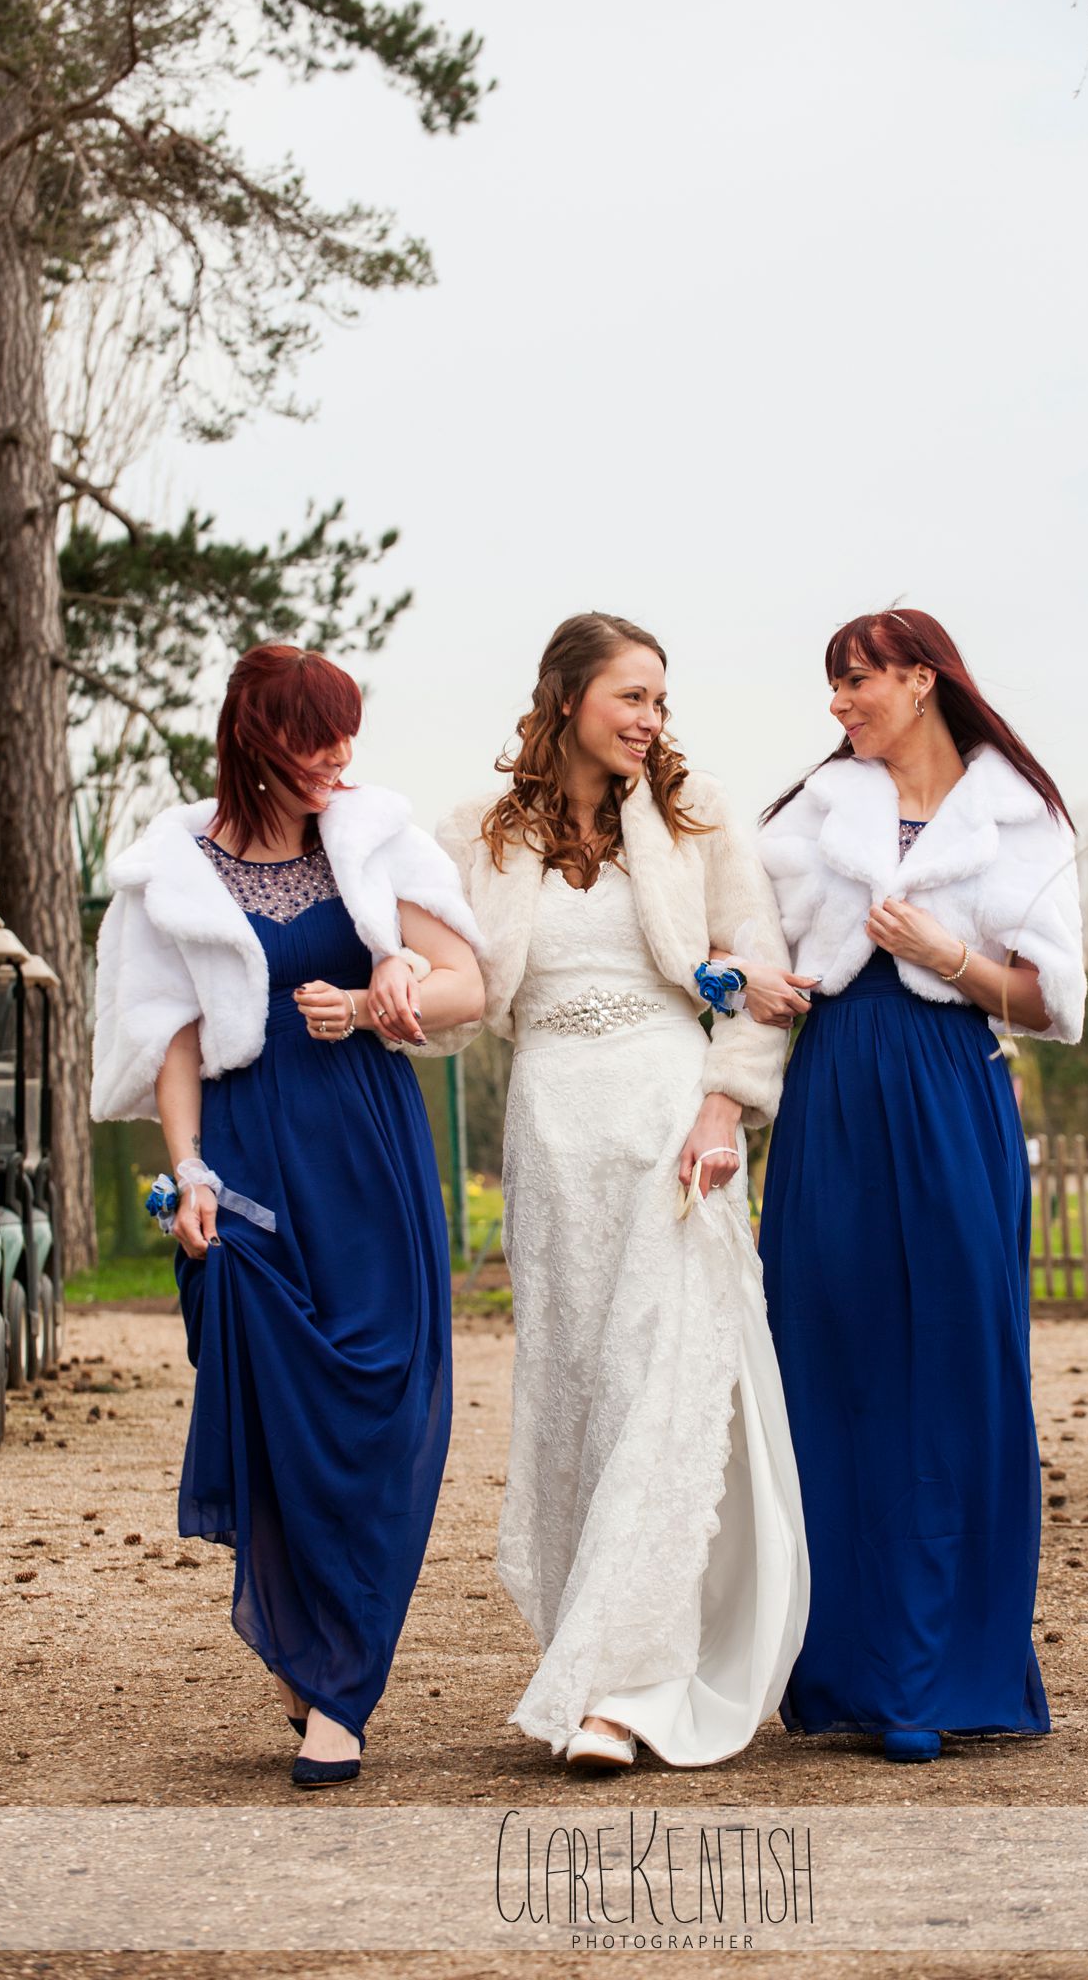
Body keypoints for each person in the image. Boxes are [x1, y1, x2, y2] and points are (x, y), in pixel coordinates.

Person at [91, 643, 484, 1788]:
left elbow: (467, 979)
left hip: (367, 1148)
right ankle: (318, 1658)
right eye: (314, 736)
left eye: (345, 732)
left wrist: (378, 993)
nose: (336, 755)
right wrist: (188, 1170)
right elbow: (169, 1037)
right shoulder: (172, 870)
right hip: (247, 1154)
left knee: (377, 1397)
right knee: (273, 1402)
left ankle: (336, 1673)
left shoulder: (373, 836)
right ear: (253, 738)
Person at [435, 612, 809, 1770]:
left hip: (668, 1123)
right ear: (564, 697)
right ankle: (588, 1651)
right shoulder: (478, 833)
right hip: (552, 1129)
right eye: (628, 695)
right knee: (576, 1385)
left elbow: (761, 979)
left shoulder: (697, 822)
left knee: (664, 1383)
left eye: (658, 699)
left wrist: (721, 1110)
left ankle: (629, 1689)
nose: (650, 718)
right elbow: (447, 992)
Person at [751, 607, 1085, 1763]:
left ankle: (947, 1671)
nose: (838, 702)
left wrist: (949, 957)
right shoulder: (805, 818)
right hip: (833, 1093)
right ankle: (847, 1670)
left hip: (952, 1091)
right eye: (832, 683)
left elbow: (1050, 999)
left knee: (957, 1360)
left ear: (922, 679)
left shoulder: (1020, 815)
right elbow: (749, 955)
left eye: (856, 680)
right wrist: (748, 984)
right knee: (828, 1354)